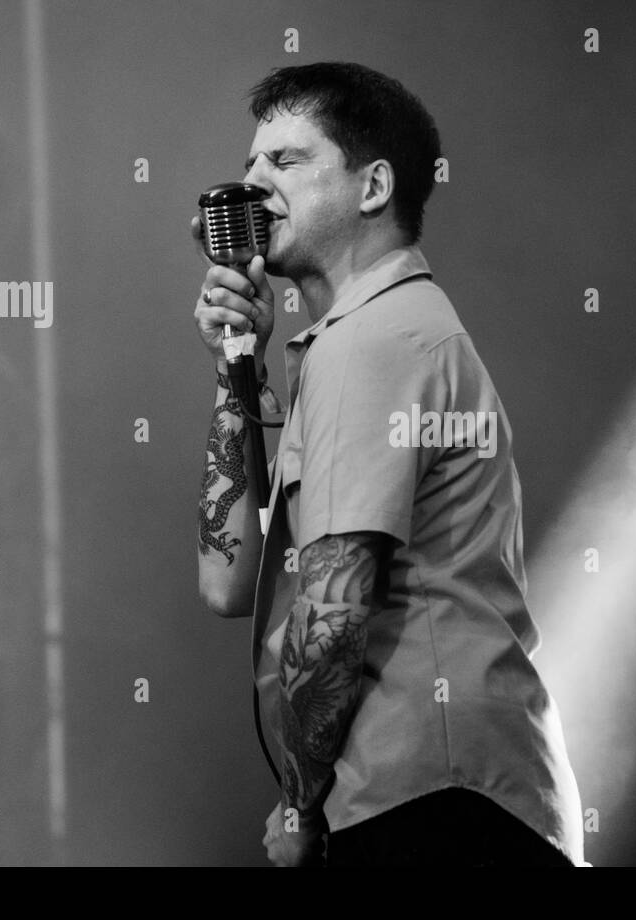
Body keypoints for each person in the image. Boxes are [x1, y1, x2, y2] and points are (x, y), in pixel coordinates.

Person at [192, 61, 582, 867]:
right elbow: (226, 582)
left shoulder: (380, 341)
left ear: (373, 187)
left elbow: (331, 615)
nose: (255, 183)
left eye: (288, 161)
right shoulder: (350, 345)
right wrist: (236, 363)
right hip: (435, 800)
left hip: (441, 803)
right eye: (250, 166)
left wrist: (301, 804)